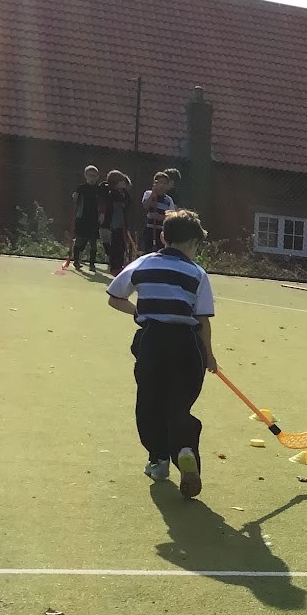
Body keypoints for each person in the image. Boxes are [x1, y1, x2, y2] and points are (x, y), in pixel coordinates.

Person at [105, 209, 218, 500]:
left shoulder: (143, 263)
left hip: (152, 343)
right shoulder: (196, 273)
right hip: (187, 345)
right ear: (193, 243)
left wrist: (139, 311)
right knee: (179, 405)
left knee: (150, 403)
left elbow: (115, 297)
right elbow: (203, 319)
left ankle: (158, 460)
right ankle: (185, 451)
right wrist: (209, 355)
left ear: (164, 237)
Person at [70, 165, 105, 272]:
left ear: (97, 177)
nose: (92, 178)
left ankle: (92, 264)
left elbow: (103, 203)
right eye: (90, 175)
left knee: (93, 242)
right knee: (80, 240)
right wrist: (75, 197)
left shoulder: (99, 189)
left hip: (94, 219)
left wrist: (102, 214)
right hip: (82, 218)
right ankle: (76, 261)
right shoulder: (81, 188)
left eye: (94, 176)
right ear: (85, 175)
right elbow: (75, 199)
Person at [102, 170, 134, 274]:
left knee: (122, 246)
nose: (124, 183)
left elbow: (129, 204)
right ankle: (114, 266)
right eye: (121, 181)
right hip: (113, 224)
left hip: (123, 224)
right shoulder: (110, 193)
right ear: (116, 182)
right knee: (115, 246)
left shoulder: (124, 193)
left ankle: (119, 265)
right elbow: (108, 204)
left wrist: (124, 205)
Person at [141, 172, 175, 251]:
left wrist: (161, 217)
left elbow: (171, 216)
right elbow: (145, 205)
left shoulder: (168, 200)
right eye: (160, 182)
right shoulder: (148, 193)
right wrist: (153, 193)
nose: (162, 185)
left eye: (165, 183)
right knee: (148, 249)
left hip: (161, 230)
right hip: (149, 228)